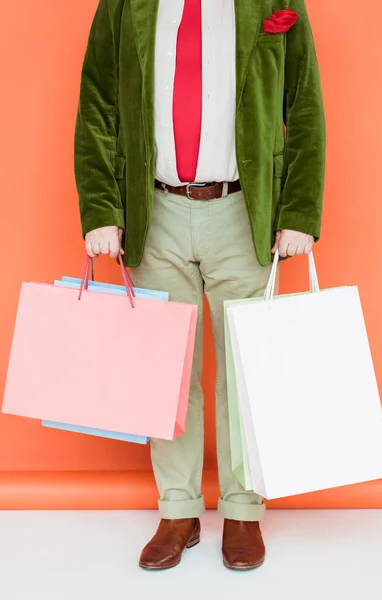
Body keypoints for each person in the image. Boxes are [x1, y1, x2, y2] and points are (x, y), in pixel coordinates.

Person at [74, 0, 326, 571]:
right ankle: (178, 509)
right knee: (164, 376)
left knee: (243, 370)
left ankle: (242, 510)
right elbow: (97, 102)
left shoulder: (275, 3)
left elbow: (304, 104)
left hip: (243, 210)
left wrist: (300, 212)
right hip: (154, 209)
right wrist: (100, 209)